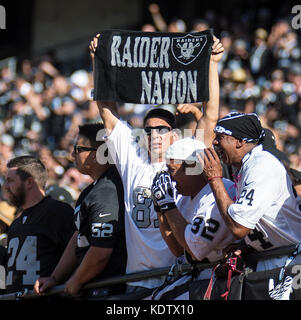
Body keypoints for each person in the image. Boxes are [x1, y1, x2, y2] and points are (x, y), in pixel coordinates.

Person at [89, 33, 224, 297]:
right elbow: (106, 109)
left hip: (181, 275)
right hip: (138, 280)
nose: (155, 135)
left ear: (175, 135)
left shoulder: (187, 159)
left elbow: (210, 115)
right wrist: (99, 61)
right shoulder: (134, 161)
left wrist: (212, 64)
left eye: (162, 130)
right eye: (149, 131)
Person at [34, 123, 126, 299]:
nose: (72, 155)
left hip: (110, 289)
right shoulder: (91, 190)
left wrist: (76, 279)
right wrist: (55, 278)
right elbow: (80, 236)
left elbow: (101, 251)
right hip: (94, 286)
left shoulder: (108, 189)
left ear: (98, 153)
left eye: (78, 149)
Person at [202, 112, 301, 271]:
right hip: (275, 257)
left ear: (240, 142)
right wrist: (247, 245)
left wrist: (215, 179)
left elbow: (238, 227)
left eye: (220, 137)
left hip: (291, 260)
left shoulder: (260, 167)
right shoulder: (247, 166)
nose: (214, 142)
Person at [150, 138, 237, 300]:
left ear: (193, 167)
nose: (170, 178)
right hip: (196, 275)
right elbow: (177, 250)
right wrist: (160, 208)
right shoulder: (186, 196)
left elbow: (195, 249)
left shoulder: (221, 192)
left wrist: (168, 205)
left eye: (173, 170)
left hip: (217, 278)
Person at [3, 155, 76, 294]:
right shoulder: (16, 224)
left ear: (29, 182)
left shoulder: (57, 212)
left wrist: (55, 278)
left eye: (10, 181)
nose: (5, 187)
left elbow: (78, 252)